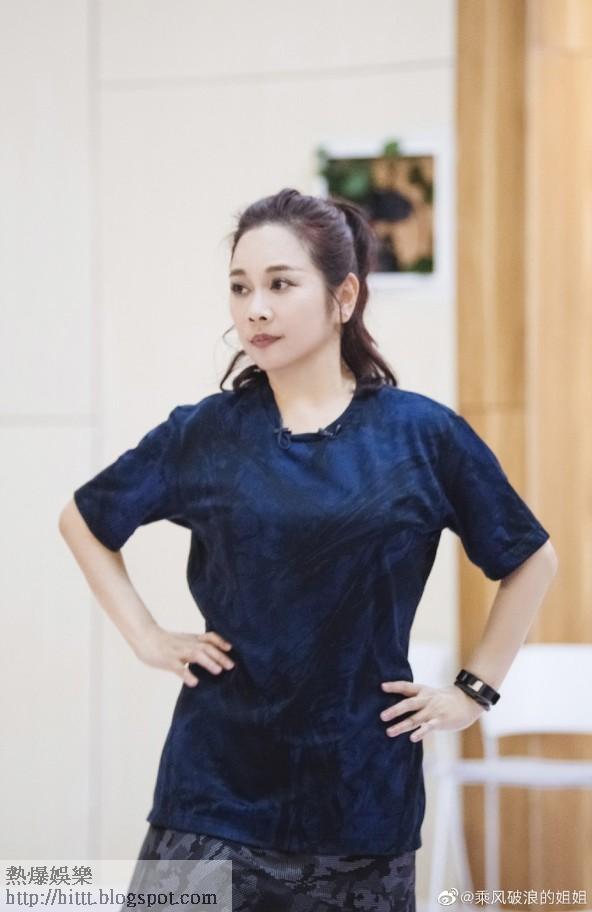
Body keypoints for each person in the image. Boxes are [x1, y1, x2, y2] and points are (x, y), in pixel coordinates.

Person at [59, 188, 558, 911]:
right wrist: (147, 637)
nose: (255, 309)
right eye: (240, 288)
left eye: (280, 284)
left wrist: (473, 692)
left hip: (361, 804)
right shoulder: (206, 432)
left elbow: (530, 559)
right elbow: (85, 520)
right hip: (212, 795)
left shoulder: (420, 435)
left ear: (343, 296)